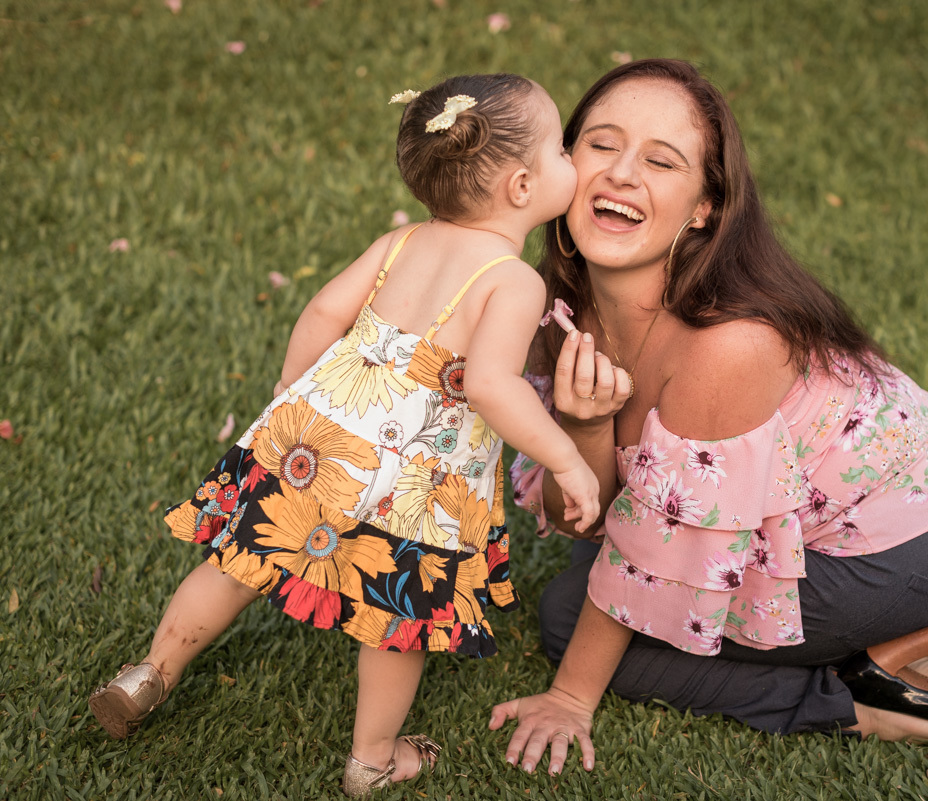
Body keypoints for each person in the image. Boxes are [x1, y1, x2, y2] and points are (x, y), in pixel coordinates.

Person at [488, 59, 928, 776]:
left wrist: (572, 697)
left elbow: (649, 554)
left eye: (662, 161)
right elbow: (583, 515)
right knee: (589, 572)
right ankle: (888, 649)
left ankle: (874, 700)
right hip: (821, 516)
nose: (622, 173)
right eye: (601, 145)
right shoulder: (562, 301)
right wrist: (581, 429)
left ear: (705, 207)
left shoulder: (728, 345)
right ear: (562, 165)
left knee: (566, 618)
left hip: (904, 544)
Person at [88, 73, 599, 796]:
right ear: (522, 186)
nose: (574, 162)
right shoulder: (511, 282)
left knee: (239, 560)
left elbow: (325, 311)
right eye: (562, 150)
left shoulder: (401, 241)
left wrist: (290, 393)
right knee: (395, 620)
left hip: (316, 443)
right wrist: (565, 455)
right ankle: (374, 758)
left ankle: (148, 674)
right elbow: (489, 385)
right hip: (409, 485)